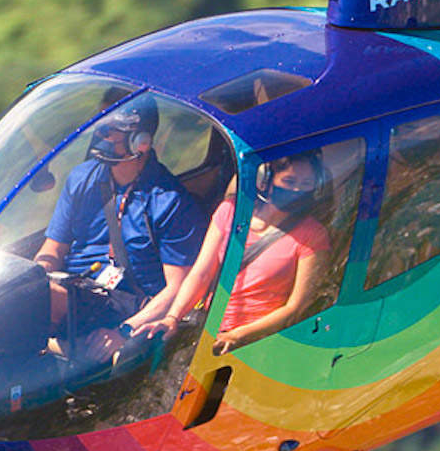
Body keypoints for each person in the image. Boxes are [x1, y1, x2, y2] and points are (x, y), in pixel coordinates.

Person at [34, 94, 205, 362]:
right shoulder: (81, 178)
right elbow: (54, 248)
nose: (105, 137)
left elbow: (178, 288)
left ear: (142, 142)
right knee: (18, 304)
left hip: (132, 302)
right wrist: (33, 281)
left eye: (115, 131)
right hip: (79, 288)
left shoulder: (170, 201)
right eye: (103, 128)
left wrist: (124, 331)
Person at [160, 152, 330, 355]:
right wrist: (173, 317)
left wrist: (238, 335)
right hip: (210, 325)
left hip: (256, 341)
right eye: (289, 181)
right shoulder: (230, 212)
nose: (297, 190)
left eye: (306, 184)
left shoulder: (313, 235)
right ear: (265, 180)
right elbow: (201, 274)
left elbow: (296, 306)